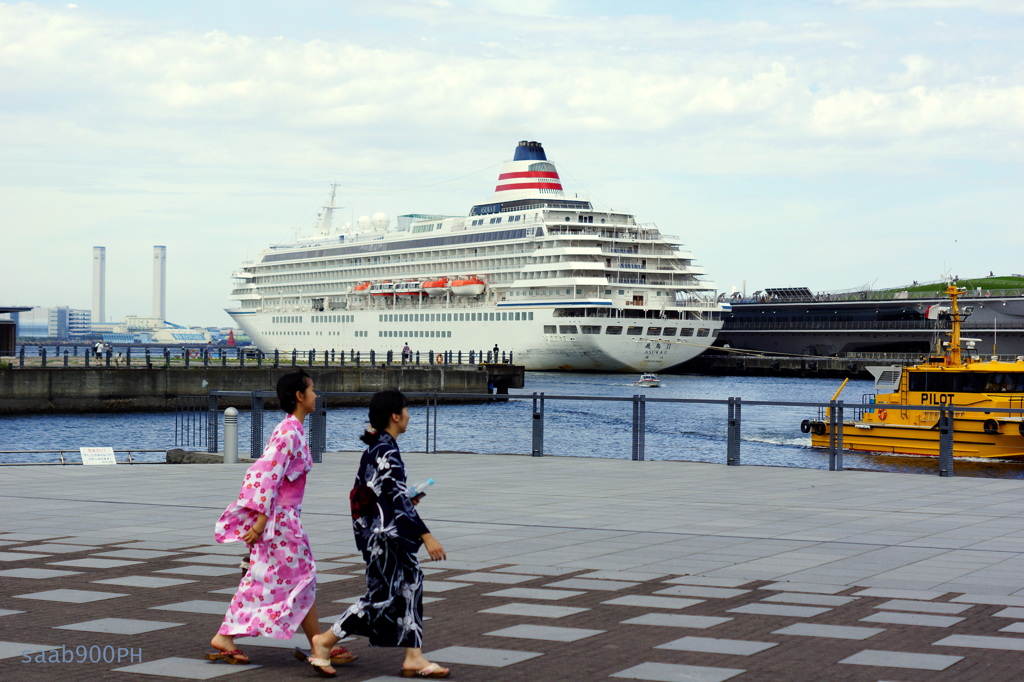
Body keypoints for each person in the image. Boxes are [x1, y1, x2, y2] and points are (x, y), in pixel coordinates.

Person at [206, 370, 356, 669]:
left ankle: (314, 641)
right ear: (299, 396)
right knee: (294, 577)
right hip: (280, 521)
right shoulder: (289, 432)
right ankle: (314, 642)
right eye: (312, 390)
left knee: (284, 578)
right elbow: (265, 476)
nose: (316, 394)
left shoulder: (294, 429)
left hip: (284, 518)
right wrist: (260, 522)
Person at [307, 389, 449, 678]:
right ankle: (324, 641)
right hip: (385, 538)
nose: (409, 415)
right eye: (406, 411)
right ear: (395, 416)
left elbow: (382, 496)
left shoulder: (377, 448)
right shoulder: (387, 451)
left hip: (382, 533)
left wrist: (406, 500)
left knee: (411, 584)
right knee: (379, 597)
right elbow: (393, 501)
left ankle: (414, 656)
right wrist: (426, 535)